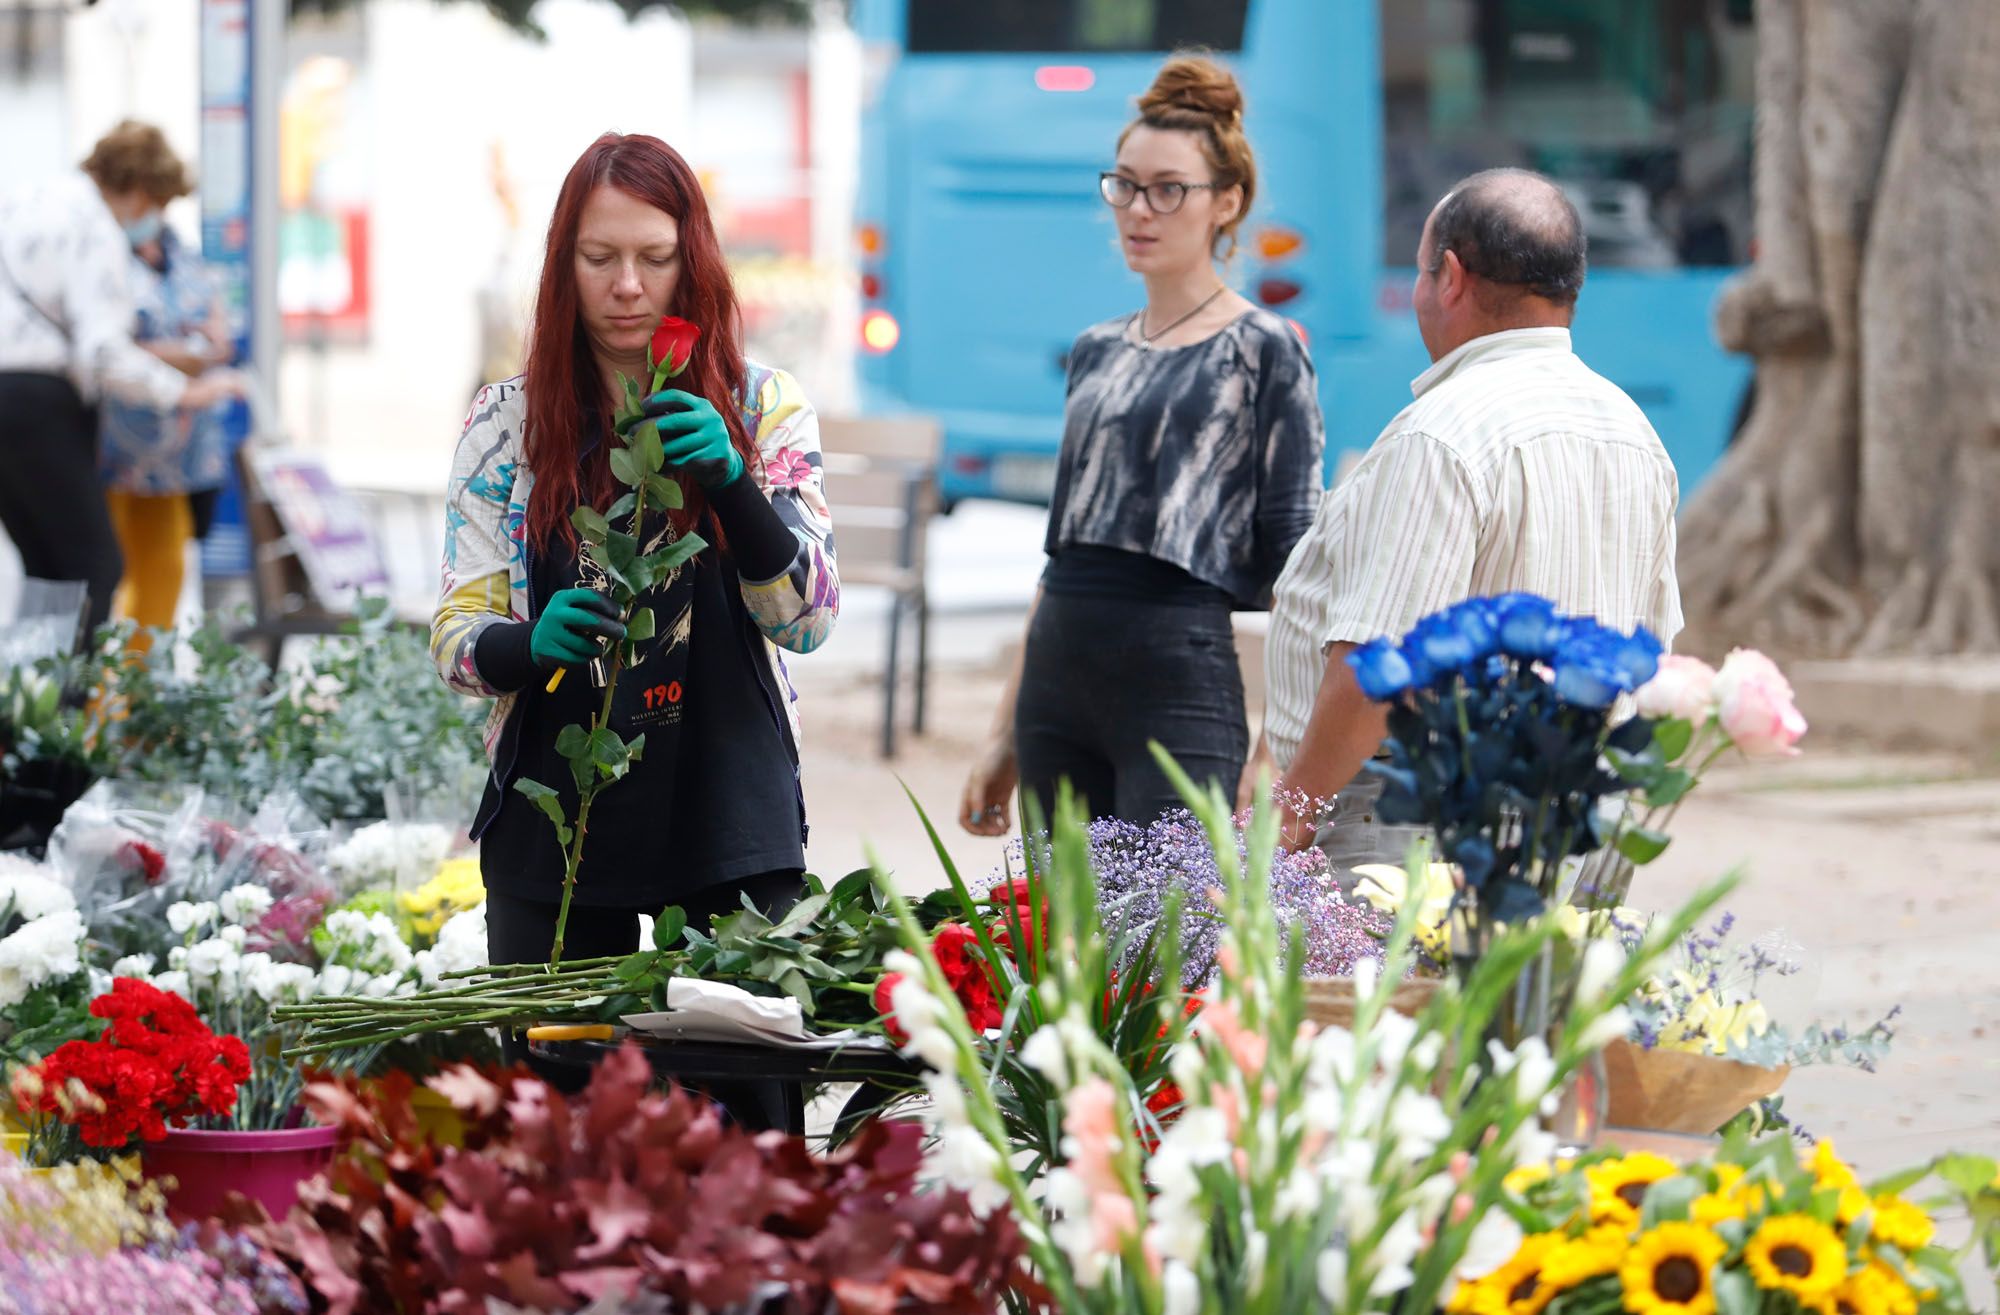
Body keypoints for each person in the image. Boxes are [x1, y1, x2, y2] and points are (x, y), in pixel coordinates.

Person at [430, 132, 839, 979]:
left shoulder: (764, 407)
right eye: (598, 257)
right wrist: (526, 642)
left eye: (654, 258)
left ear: (692, 264)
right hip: (557, 812)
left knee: (742, 1100)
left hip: (728, 802)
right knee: (555, 1099)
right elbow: (456, 638)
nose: (626, 286)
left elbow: (809, 621)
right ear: (561, 268)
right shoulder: (507, 424)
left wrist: (732, 481)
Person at [1258, 168, 1684, 880]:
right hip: (1575, 818)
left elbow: (1376, 670)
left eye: (1423, 273)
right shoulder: (1632, 431)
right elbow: (1654, 647)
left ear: (1449, 276)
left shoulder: (1441, 433)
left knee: (1393, 998)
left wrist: (1288, 817)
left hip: (1415, 828)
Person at [958, 54, 1324, 837]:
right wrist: (1002, 732)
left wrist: (1277, 747)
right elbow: (1060, 552)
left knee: (1173, 945)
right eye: (1123, 183)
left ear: (1227, 202)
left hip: (1178, 672)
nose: (1138, 209)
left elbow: (1300, 565)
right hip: (1057, 674)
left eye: (1168, 189)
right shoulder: (1096, 348)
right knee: (1059, 941)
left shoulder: (1264, 346)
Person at [0, 121, 243, 638]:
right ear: (136, 190)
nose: (155, 219)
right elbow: (103, 350)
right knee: (93, 565)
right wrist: (185, 391)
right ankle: (57, 714)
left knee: (48, 568)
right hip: (39, 401)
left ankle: (25, 707)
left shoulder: (28, 199)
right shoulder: (95, 226)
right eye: (158, 202)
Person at [99, 223, 236, 644]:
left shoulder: (187, 259)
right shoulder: (104, 256)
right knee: (103, 574)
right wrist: (185, 356)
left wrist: (207, 347)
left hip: (177, 456)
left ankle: (141, 694)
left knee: (165, 570)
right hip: (113, 452)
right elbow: (105, 347)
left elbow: (219, 338)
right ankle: (97, 699)